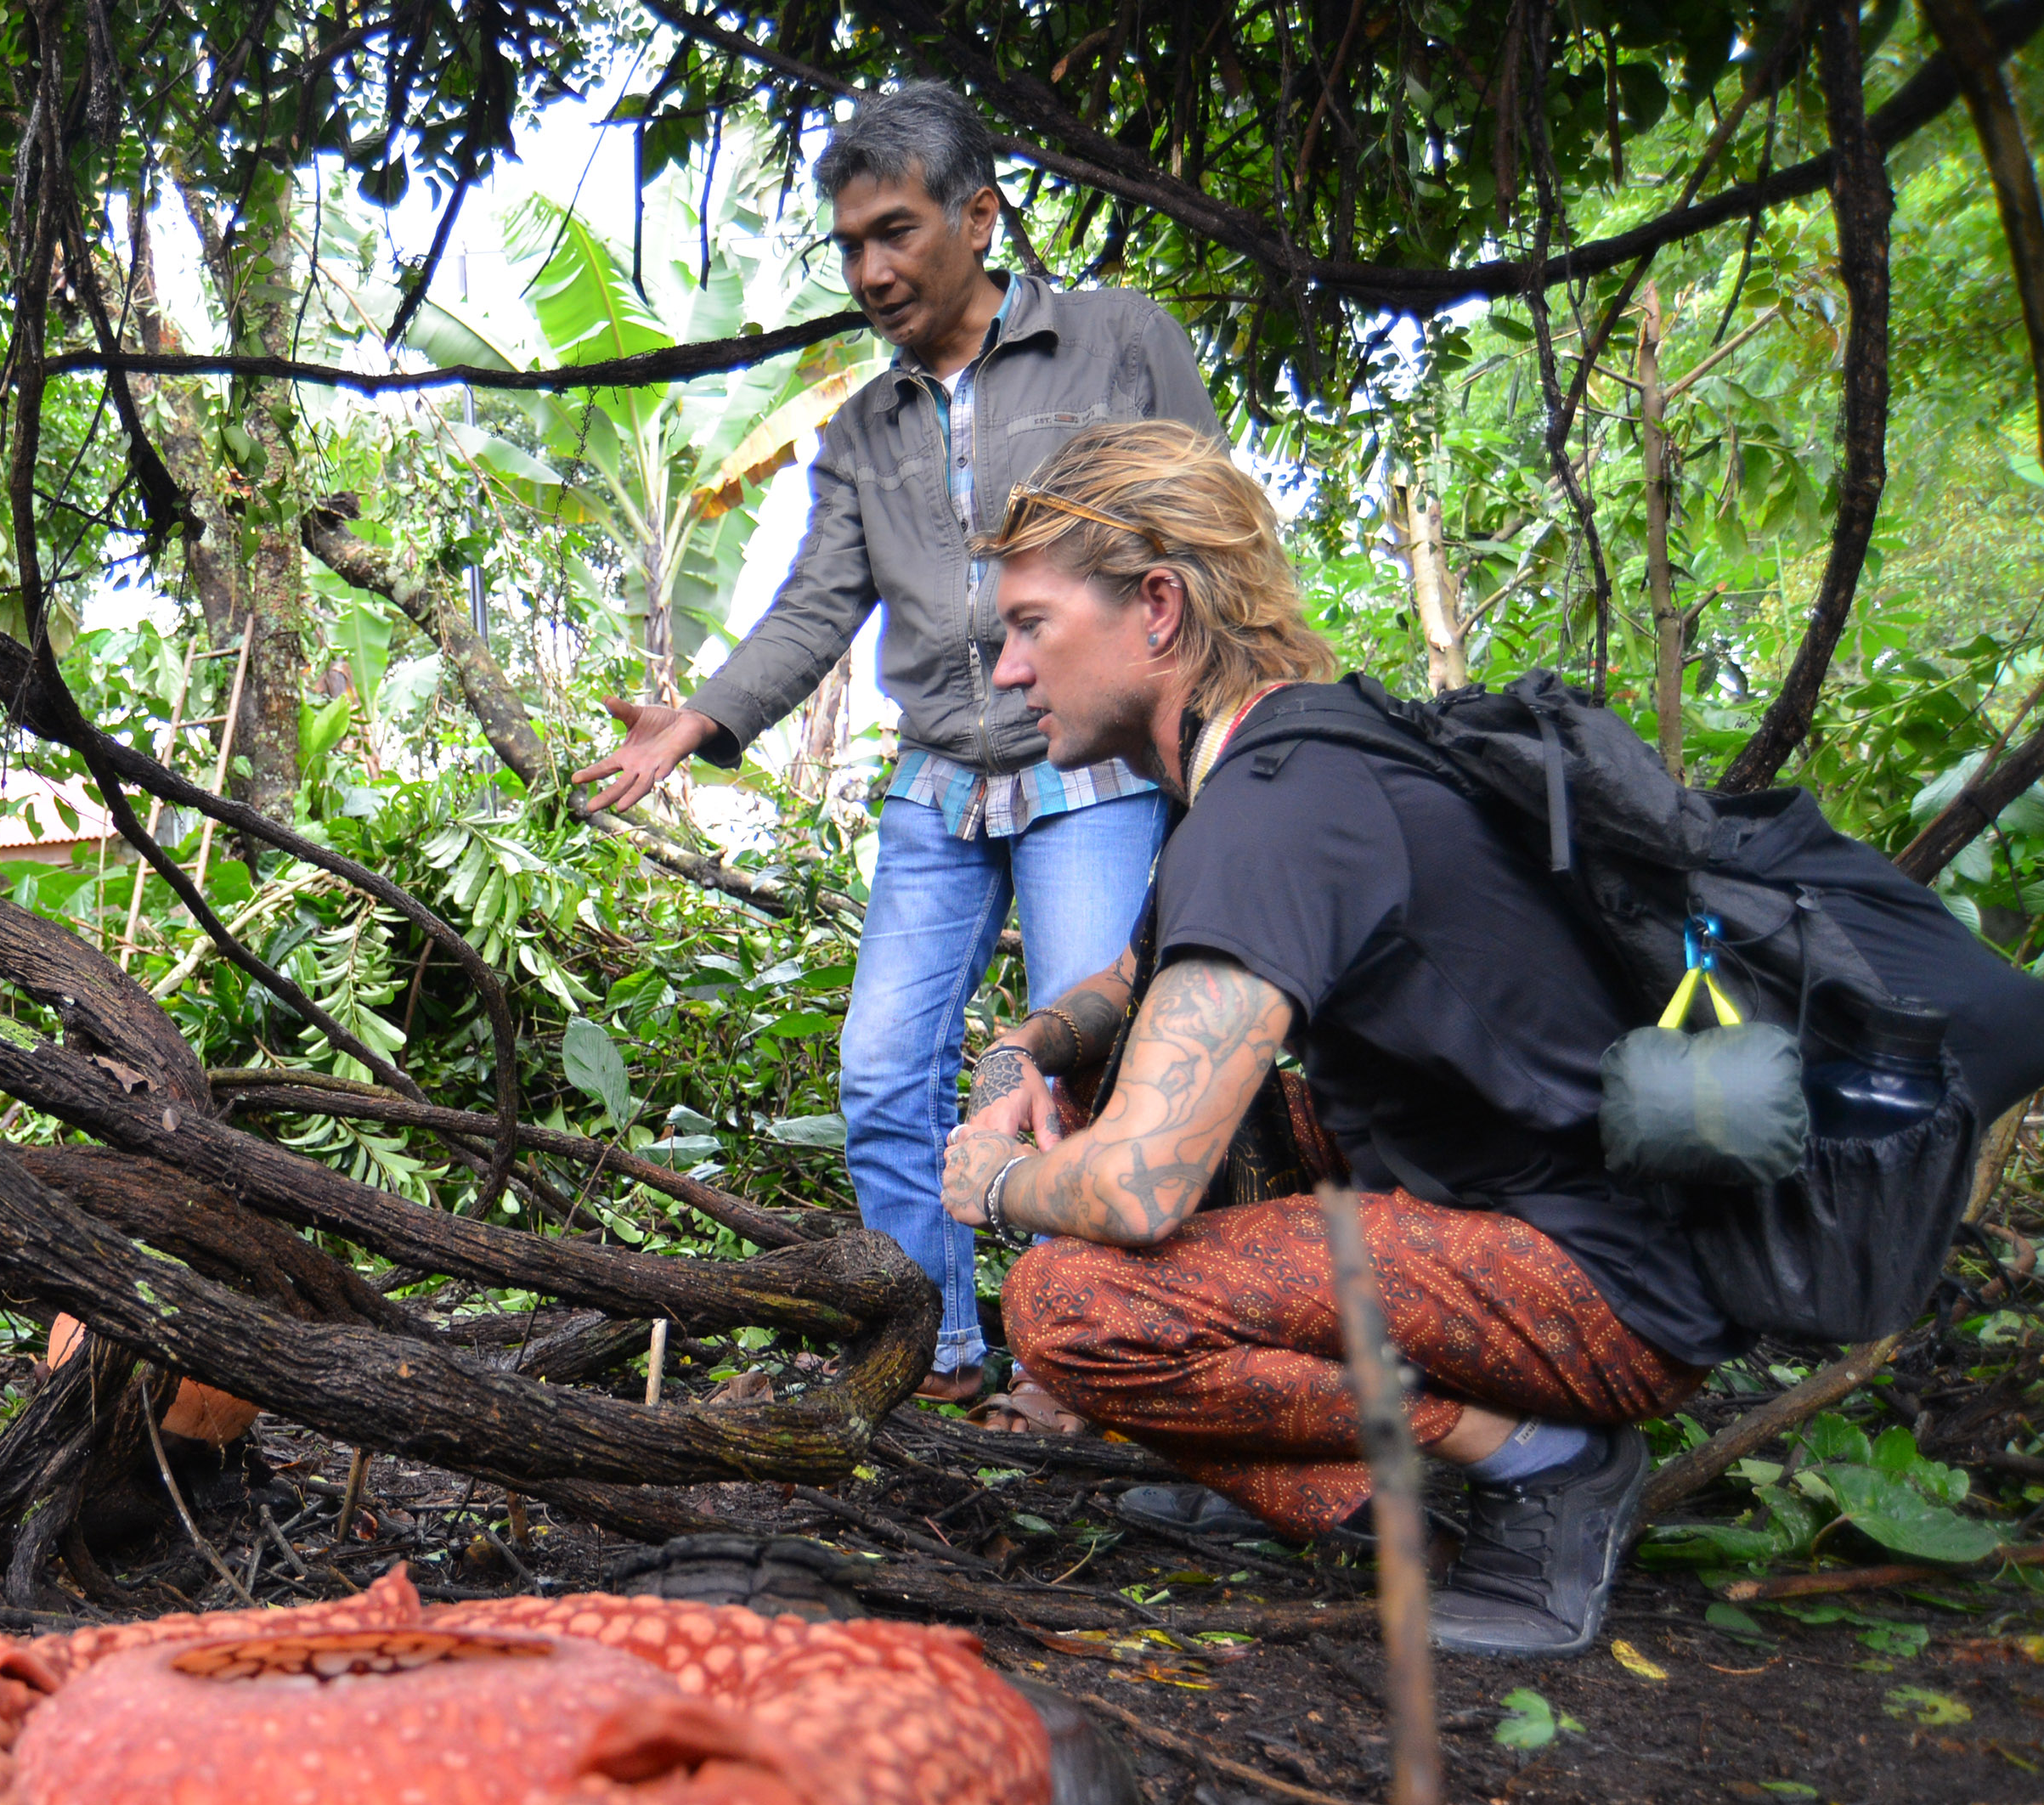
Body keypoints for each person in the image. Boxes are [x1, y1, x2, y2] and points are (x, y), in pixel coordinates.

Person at [936, 420, 1729, 1658]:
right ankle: (1357, 1503)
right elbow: (1131, 979)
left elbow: (1143, 1192)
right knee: (1122, 1081)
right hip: (1508, 1212)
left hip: (1599, 1283)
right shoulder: (1272, 759)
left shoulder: (1276, 808)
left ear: (1157, 609)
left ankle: (1550, 1463)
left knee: (1072, 1302)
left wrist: (995, 1182)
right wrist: (1025, 1059)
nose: (1008, 673)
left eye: (1031, 626)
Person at [578, 82, 1218, 1407]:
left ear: (977, 217)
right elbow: (818, 597)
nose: (871, 270)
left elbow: (1208, 535)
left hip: (1091, 770)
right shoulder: (864, 431)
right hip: (938, 780)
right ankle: (938, 1353)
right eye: (851, 245)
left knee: (1079, 1067)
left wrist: (1224, 740)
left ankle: (1076, 1356)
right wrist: (701, 717)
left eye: (895, 232)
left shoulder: (1114, 342)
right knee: (881, 1072)